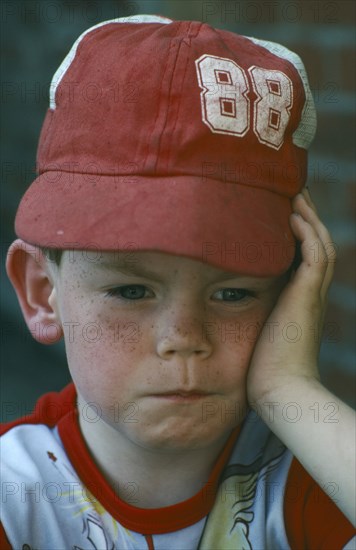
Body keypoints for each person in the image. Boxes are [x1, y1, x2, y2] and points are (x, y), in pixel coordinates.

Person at [1, 14, 355, 549]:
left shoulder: (309, 479)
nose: (183, 336)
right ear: (40, 293)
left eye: (233, 294)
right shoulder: (15, 496)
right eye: (130, 290)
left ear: (288, 301)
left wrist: (290, 389)